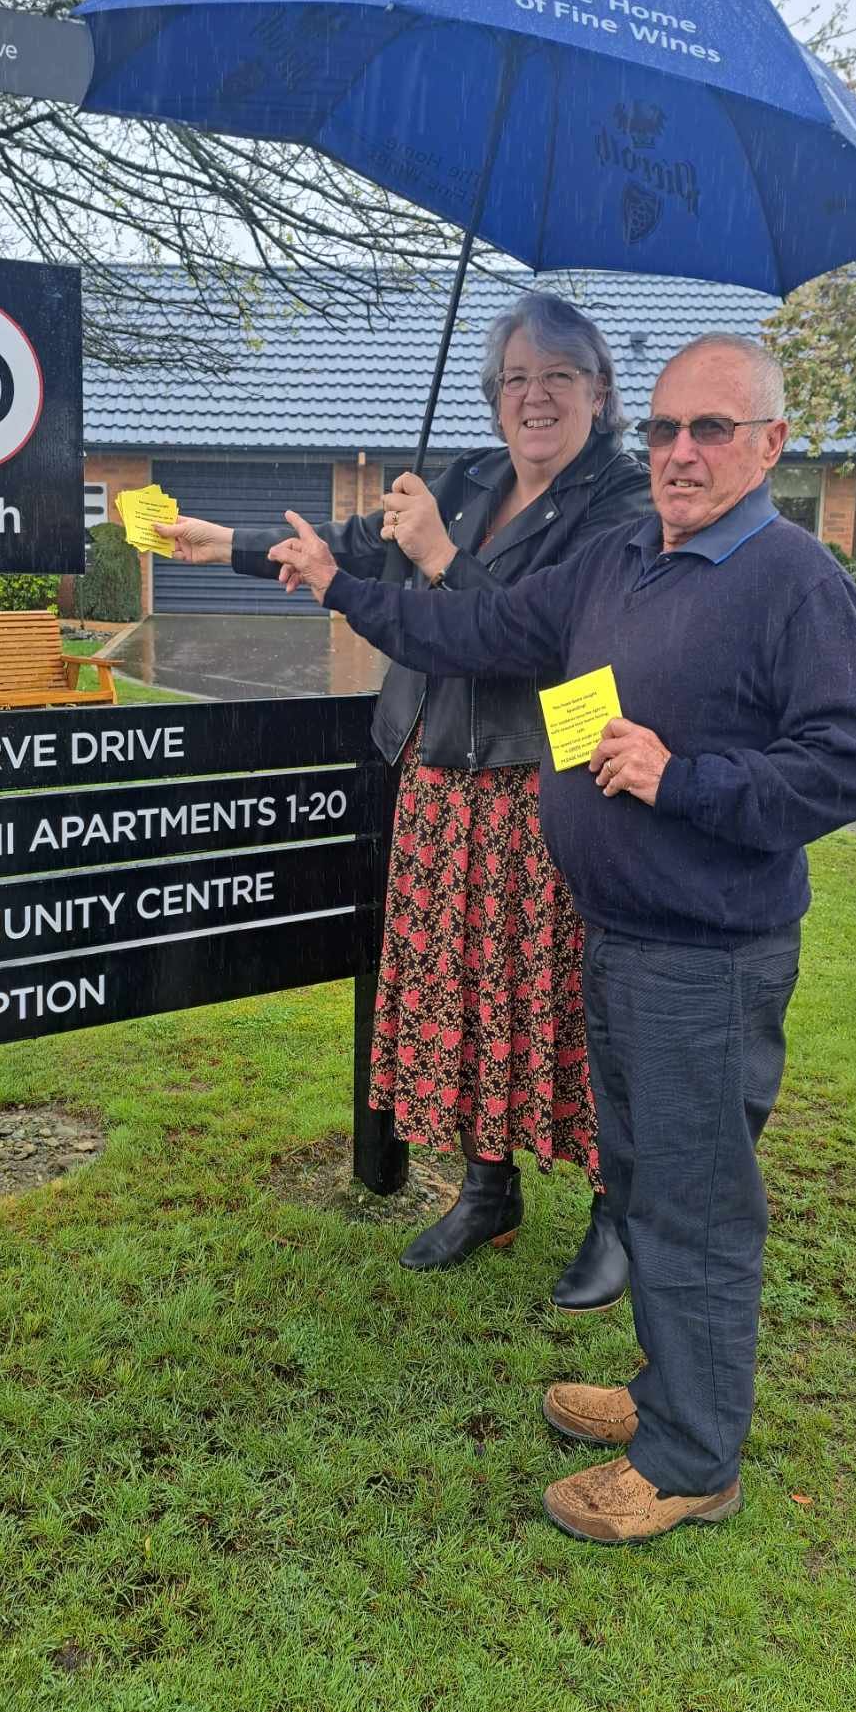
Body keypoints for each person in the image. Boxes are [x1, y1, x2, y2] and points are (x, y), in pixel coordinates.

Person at [269, 332, 856, 1545]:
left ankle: (689, 1459)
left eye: (713, 430)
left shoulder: (789, 578)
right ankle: (670, 1394)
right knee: (649, 1184)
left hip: (706, 959)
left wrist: (687, 780)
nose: (681, 453)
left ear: (771, 445)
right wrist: (343, 586)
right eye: (665, 430)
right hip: (612, 935)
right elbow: (487, 631)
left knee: (694, 1202)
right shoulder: (621, 557)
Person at [155, 294, 649, 1307]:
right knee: (461, 987)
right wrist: (233, 545)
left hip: (541, 784)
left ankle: (620, 1208)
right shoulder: (469, 476)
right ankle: (487, 1185)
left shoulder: (624, 506)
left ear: (600, 392)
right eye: (516, 376)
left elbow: (533, 641)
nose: (535, 394)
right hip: (438, 772)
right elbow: (356, 547)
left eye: (559, 374)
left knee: (560, 999)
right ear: (493, 393)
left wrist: (437, 557)